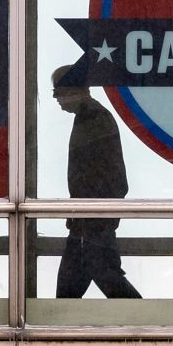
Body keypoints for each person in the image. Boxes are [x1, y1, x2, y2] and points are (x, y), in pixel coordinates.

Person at [51, 65, 141, 298]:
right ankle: (145, 320)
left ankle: (146, 321)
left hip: (91, 222)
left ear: (71, 91)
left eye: (57, 93)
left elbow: (105, 176)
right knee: (84, 283)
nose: (57, 101)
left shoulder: (93, 117)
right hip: (89, 220)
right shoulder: (92, 116)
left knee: (97, 278)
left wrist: (92, 216)